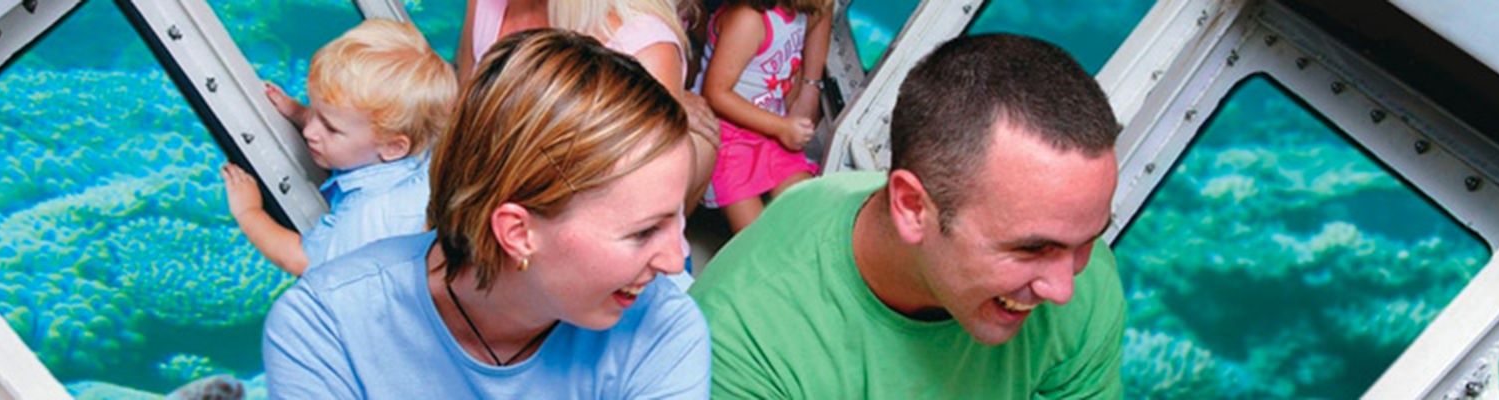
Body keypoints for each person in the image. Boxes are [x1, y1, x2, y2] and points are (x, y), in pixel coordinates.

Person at [262, 29, 709, 398]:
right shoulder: (325, 327)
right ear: (517, 232)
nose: (675, 259)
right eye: (644, 232)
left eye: (677, 220)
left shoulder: (664, 328)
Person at [690, 33, 1127, 398]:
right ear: (913, 207)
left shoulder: (1084, 278)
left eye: (1087, 240)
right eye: (1031, 248)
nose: (1064, 287)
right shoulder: (742, 338)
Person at [222, 19, 455, 276]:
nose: (310, 132)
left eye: (330, 128)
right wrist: (298, 112)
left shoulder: (368, 214)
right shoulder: (409, 146)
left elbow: (302, 260)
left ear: (392, 148)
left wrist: (249, 212)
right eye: (315, 112)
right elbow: (348, 122)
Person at [458, 0, 721, 214]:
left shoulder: (641, 45)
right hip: (482, 199)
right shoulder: (486, 5)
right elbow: (462, 119)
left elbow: (632, 212)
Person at [699, 0, 831, 232]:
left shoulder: (799, 13)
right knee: (757, 240)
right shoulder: (748, 20)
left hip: (770, 130)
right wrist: (781, 127)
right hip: (728, 140)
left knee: (810, 217)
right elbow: (716, 93)